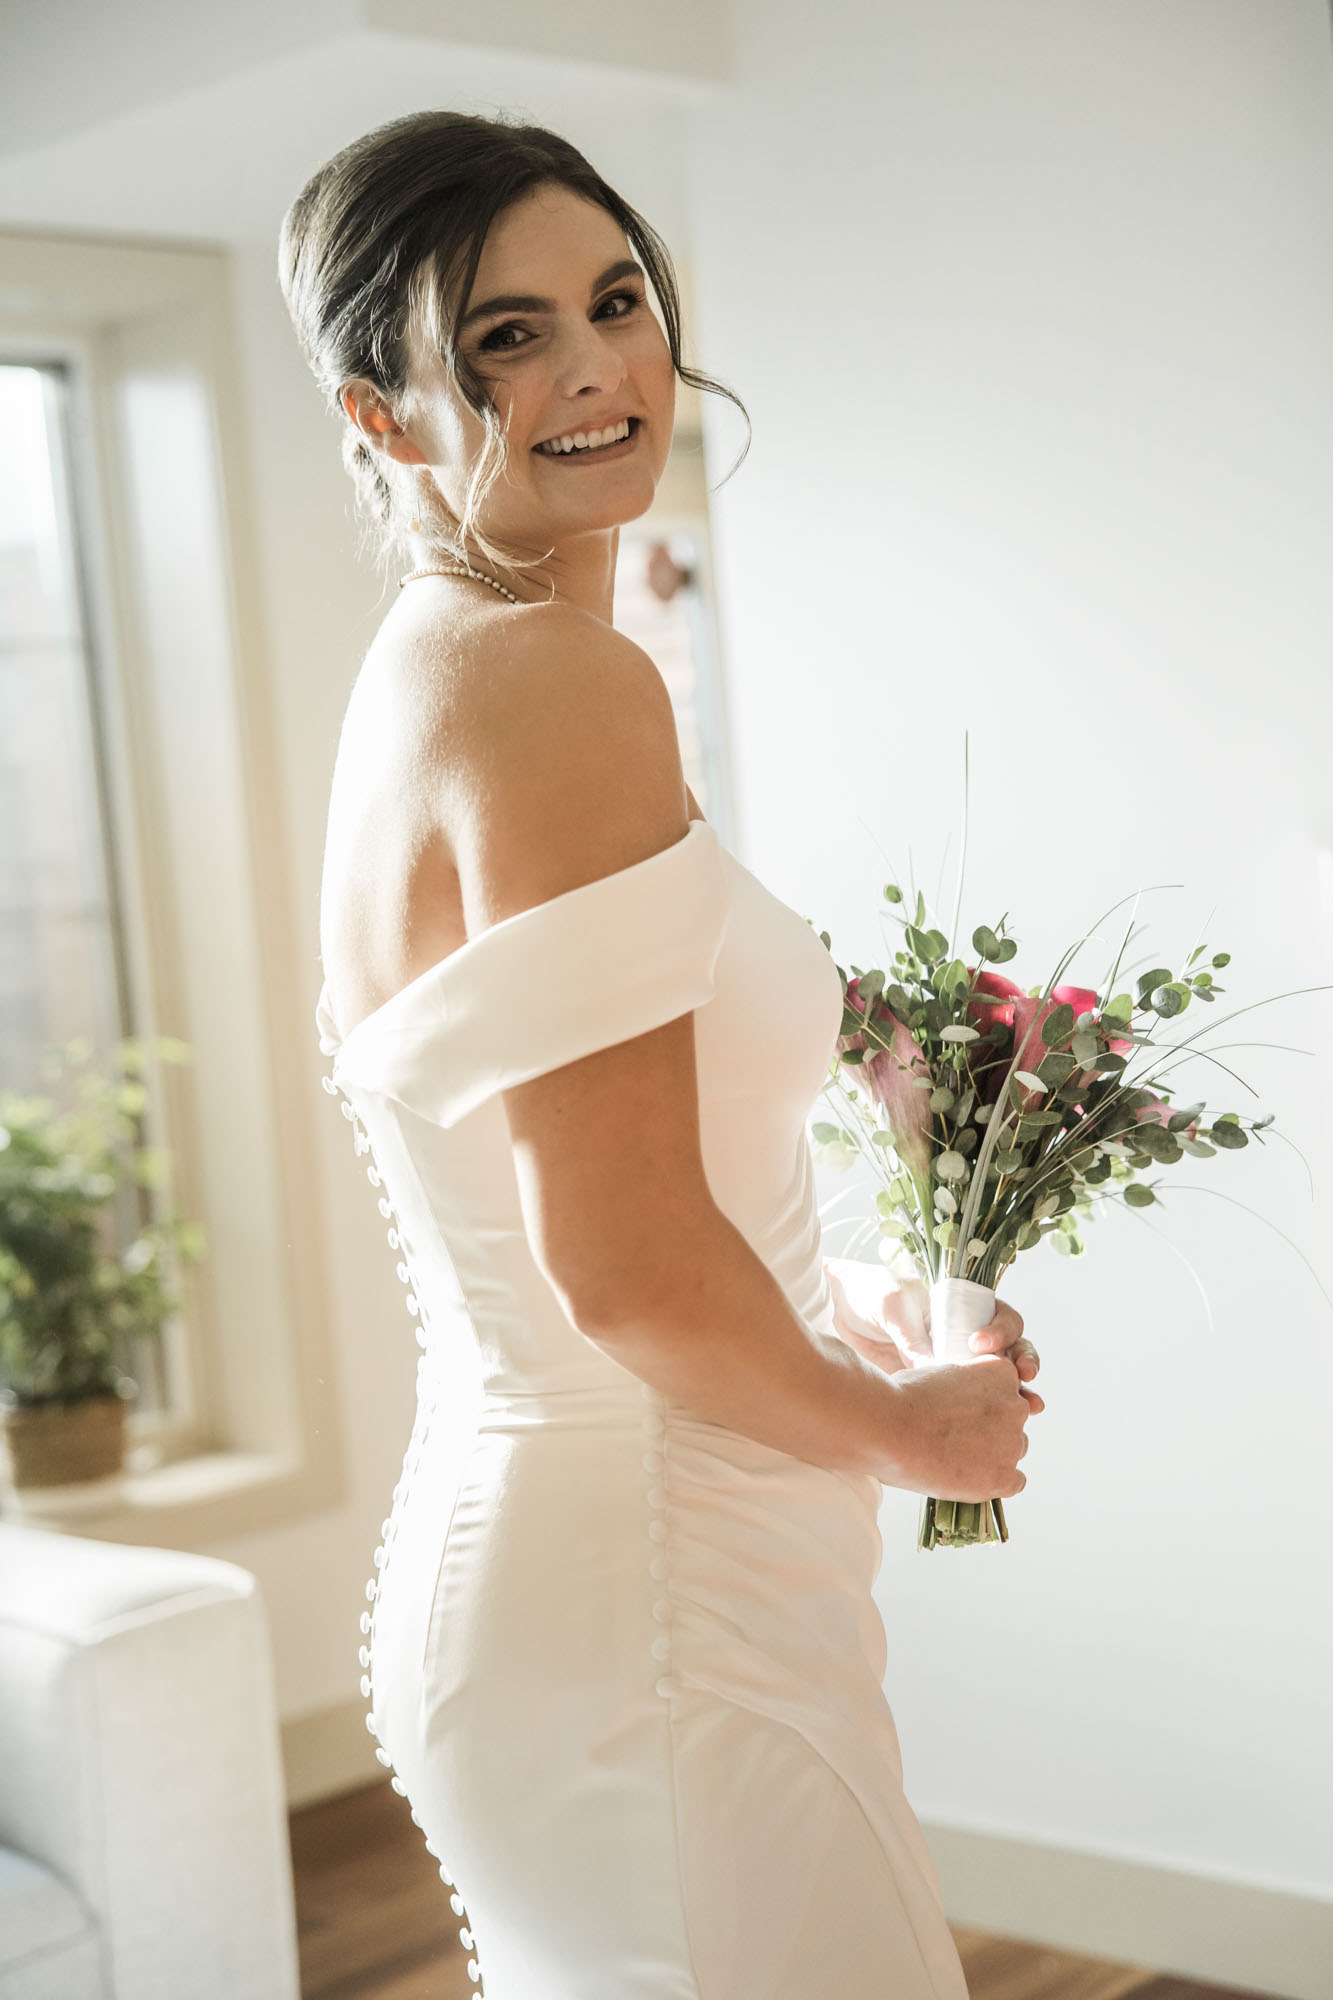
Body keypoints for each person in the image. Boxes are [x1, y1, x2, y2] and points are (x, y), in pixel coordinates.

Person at [281, 108, 1043, 2000]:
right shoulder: (546, 684)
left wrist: (831, 1303)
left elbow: (602, 1178)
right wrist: (903, 1433)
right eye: (502, 339)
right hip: (651, 1592)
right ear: (382, 416)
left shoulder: (442, 665)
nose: (596, 365)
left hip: (604, 1558)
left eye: (611, 298)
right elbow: (615, 1267)